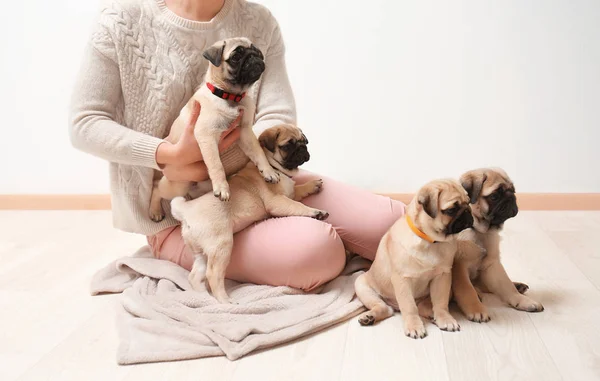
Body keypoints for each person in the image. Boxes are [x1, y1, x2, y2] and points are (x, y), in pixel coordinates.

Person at [69, 0, 405, 292]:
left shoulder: (258, 21)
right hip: (184, 213)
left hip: (261, 182)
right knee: (320, 251)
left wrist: (253, 155)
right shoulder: (120, 20)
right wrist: (168, 155)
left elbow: (276, 112)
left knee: (391, 222)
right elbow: (85, 123)